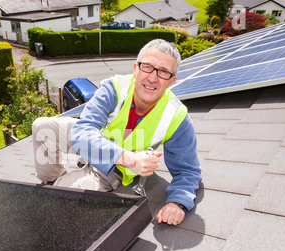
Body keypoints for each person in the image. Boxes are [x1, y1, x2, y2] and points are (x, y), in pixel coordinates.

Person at [32, 39, 201, 226]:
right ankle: (51, 179)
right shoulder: (115, 88)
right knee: (42, 127)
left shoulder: (176, 116)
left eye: (163, 72)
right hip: (99, 144)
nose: (153, 78)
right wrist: (130, 159)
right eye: (147, 67)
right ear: (135, 68)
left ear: (171, 81)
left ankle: (54, 188)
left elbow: (188, 171)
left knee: (56, 197)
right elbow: (81, 132)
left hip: (112, 171)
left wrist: (177, 203)